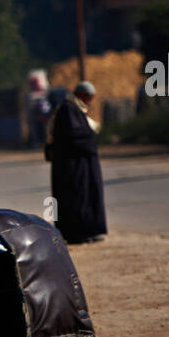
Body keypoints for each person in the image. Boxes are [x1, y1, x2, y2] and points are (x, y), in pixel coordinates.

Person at [46, 80, 107, 244]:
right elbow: (73, 135)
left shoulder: (76, 110)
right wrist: (90, 141)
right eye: (88, 98)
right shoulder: (68, 109)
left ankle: (89, 230)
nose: (90, 102)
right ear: (81, 95)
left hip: (82, 164)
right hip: (71, 166)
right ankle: (76, 234)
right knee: (75, 198)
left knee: (88, 196)